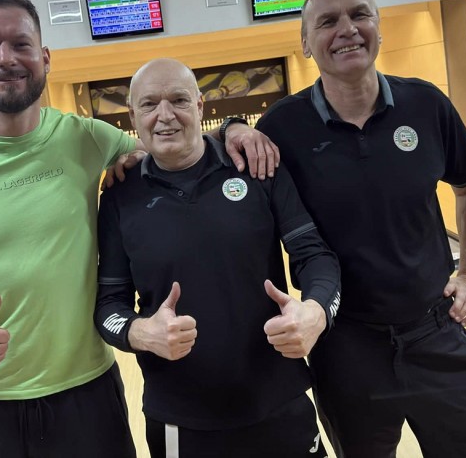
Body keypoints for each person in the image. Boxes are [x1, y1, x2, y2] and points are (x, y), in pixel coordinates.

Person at [0, 0, 277, 457]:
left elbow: (175, 144)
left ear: (44, 58)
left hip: (88, 396)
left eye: (20, 44)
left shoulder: (87, 138)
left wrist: (233, 127)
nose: (6, 58)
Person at [254, 0, 466, 457]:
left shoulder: (425, 103)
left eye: (359, 15)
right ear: (305, 43)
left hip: (436, 332)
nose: (347, 29)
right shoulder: (282, 126)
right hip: (346, 349)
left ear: (378, 28)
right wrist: (233, 128)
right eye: (328, 21)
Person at [94, 58, 340, 458]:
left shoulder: (256, 168)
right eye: (149, 104)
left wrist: (316, 311)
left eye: (178, 100)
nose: (165, 115)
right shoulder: (120, 197)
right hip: (180, 419)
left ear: (200, 106)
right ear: (133, 117)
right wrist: (141, 332)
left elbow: (315, 256)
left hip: (279, 403)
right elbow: (108, 306)